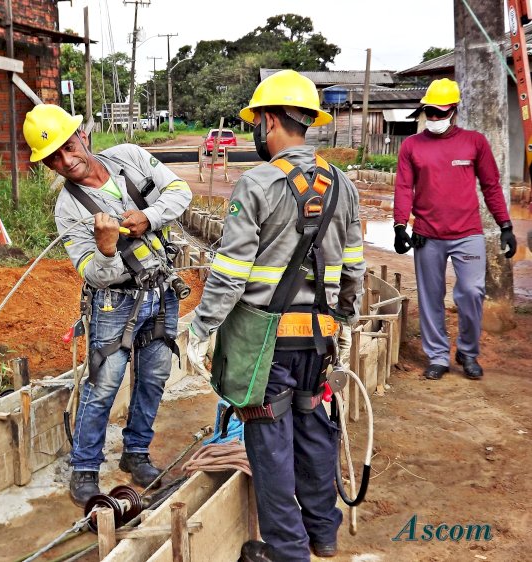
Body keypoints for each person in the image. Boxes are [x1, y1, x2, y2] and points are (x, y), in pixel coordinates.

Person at [186, 70, 365, 560]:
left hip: (266, 346)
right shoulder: (343, 186)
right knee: (312, 428)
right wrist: (345, 321)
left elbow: (231, 272)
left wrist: (201, 329)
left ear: (267, 121)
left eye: (255, 123)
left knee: (270, 446)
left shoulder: (258, 181)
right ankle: (323, 534)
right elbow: (354, 266)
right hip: (318, 340)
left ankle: (288, 551)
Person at [22, 104, 192, 506]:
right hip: (114, 303)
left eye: (68, 147)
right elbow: (93, 274)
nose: (66, 161)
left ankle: (136, 453)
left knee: (153, 378)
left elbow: (180, 191)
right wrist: (106, 251)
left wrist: (148, 218)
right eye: (54, 159)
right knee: (103, 387)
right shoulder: (69, 208)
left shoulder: (130, 159)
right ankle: (84, 468)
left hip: (160, 289)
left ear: (82, 136)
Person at [393, 78, 517, 381]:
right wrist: (399, 225)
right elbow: (404, 188)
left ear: (454, 111)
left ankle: (467, 352)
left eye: (439, 112)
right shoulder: (411, 146)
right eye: (429, 112)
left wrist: (505, 225)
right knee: (431, 297)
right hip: (427, 235)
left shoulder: (474, 143)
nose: (433, 118)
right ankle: (437, 356)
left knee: (472, 292)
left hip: (467, 234)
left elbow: (490, 186)